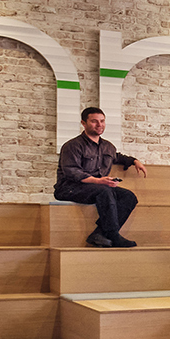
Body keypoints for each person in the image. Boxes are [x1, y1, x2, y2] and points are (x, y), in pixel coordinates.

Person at [54, 106, 148, 247]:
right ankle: (113, 234)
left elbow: (117, 157)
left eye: (102, 121)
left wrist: (134, 161)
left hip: (96, 188)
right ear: (83, 123)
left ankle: (99, 234)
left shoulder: (108, 146)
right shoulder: (72, 146)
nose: (99, 125)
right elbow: (72, 172)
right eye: (94, 121)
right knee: (105, 190)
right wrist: (98, 181)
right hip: (69, 188)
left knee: (128, 197)